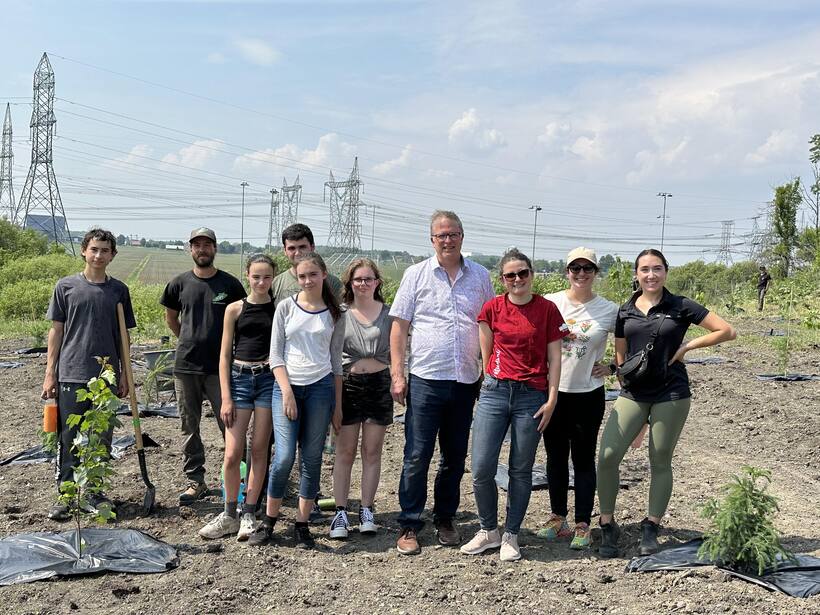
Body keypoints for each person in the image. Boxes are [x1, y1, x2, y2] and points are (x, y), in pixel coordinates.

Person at [596, 248, 736, 558]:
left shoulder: (680, 305)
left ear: (665, 272)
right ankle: (607, 524)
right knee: (607, 456)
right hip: (633, 394)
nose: (650, 274)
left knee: (660, 460)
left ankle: (651, 526)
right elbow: (620, 358)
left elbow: (727, 330)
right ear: (636, 274)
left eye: (657, 268)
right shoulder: (625, 310)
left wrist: (687, 346)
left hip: (671, 393)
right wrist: (634, 414)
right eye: (644, 269)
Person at [390, 210, 495, 555]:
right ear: (432, 240)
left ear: (463, 236)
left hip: (466, 379)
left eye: (453, 234)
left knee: (454, 456)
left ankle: (445, 518)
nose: (447, 240)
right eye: (441, 235)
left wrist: (489, 366)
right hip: (425, 379)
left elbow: (490, 324)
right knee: (417, 454)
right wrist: (397, 374)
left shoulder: (479, 276)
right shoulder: (415, 274)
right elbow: (400, 328)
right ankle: (409, 522)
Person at [460, 249, 564, 562]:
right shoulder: (491, 309)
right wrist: (493, 379)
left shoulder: (547, 310)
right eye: (510, 275)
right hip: (494, 391)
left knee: (520, 469)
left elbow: (555, 356)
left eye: (523, 273)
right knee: (480, 468)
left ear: (531, 275)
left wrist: (552, 397)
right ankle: (488, 530)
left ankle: (511, 534)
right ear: (502, 279)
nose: (517, 279)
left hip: (531, 395)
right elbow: (486, 353)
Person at [248, 252, 344, 548]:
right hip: (287, 388)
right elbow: (275, 355)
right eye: (302, 276)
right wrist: (287, 391)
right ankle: (268, 522)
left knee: (312, 458)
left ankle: (301, 525)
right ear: (296, 278)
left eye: (312, 275)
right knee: (285, 456)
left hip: (320, 390)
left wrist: (337, 406)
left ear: (323, 275)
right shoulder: (285, 308)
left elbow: (336, 361)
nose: (307, 280)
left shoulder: (335, 313)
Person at [43, 228, 136, 521]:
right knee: (68, 435)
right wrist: (50, 373)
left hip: (106, 377)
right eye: (94, 249)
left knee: (100, 436)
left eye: (105, 250)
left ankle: (94, 492)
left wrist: (123, 372)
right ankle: (68, 495)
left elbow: (123, 336)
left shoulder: (118, 290)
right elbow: (56, 331)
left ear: (112, 255)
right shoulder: (66, 287)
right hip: (71, 373)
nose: (98, 255)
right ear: (84, 250)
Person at [160, 227, 246, 504]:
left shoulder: (230, 286)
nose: (202, 249)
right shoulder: (178, 284)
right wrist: (188, 339)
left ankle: (237, 481)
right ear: (191, 249)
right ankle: (195, 481)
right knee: (189, 426)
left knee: (230, 425)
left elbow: (243, 321)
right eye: (197, 245)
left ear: (215, 249)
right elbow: (172, 319)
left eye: (207, 244)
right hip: (186, 367)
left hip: (221, 369)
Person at [540, 247, 618, 550]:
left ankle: (583, 522)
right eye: (575, 268)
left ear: (596, 273)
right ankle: (558, 517)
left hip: (588, 394)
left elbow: (631, 338)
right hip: (554, 394)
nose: (581, 274)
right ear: (567, 272)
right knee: (555, 457)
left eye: (588, 269)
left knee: (583, 459)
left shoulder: (608, 309)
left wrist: (612, 365)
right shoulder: (551, 303)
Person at [198, 255, 276, 541]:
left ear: (273, 278)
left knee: (259, 450)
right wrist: (226, 397)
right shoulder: (234, 309)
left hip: (268, 380)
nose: (261, 282)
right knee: (233, 453)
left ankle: (249, 512)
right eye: (256, 276)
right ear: (248, 276)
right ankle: (229, 512)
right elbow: (223, 356)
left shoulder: (279, 308)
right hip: (240, 379)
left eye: (267, 277)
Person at [329, 258, 392, 540]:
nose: (363, 284)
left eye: (369, 279)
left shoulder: (389, 315)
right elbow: (332, 356)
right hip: (348, 384)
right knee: (344, 452)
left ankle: (367, 509)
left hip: (379, 384)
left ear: (377, 283)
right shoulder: (340, 315)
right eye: (358, 280)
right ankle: (341, 512)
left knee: (372, 451)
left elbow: (401, 350)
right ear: (350, 283)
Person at [270, 223, 343, 305]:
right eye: (292, 248)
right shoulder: (276, 284)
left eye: (302, 247)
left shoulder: (333, 284)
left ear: (312, 247)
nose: (297, 253)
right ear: (285, 251)